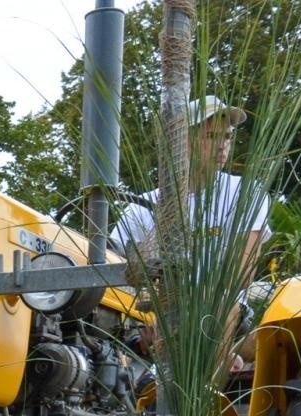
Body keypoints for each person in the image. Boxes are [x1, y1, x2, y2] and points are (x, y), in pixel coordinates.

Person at [112, 96, 271, 373]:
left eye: (228, 137)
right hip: (158, 314)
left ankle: (201, 388)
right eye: (211, 136)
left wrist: (180, 308)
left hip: (223, 307)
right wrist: (144, 315)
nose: (223, 146)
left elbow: (240, 274)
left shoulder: (245, 192)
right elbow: (115, 267)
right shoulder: (142, 206)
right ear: (181, 142)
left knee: (214, 299)